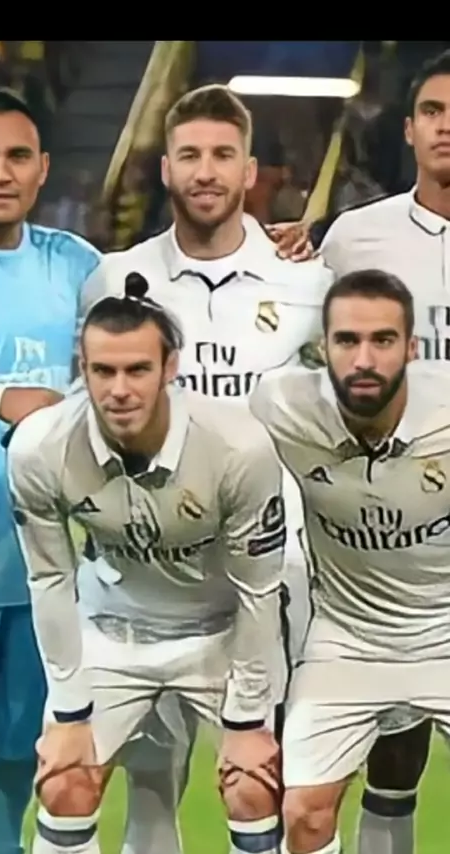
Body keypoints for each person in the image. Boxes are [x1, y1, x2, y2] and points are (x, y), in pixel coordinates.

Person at [81, 83, 332, 854]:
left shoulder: (307, 281)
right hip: (152, 579)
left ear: (249, 170)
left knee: (271, 784)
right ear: (165, 168)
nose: (206, 170)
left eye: (223, 154)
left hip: (269, 579)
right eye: (189, 154)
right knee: (153, 792)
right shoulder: (115, 278)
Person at [7, 281, 287, 854]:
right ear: (82, 369)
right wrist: (68, 714)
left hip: (220, 635)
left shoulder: (237, 447)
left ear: (170, 367)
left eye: (137, 370)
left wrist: (247, 723)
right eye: (103, 371)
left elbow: (259, 591)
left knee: (253, 789)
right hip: (114, 634)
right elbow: (49, 579)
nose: (119, 390)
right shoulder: (40, 447)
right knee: (63, 782)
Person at [269, 47, 450, 854]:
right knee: (382, 733)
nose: (447, 127)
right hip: (381, 522)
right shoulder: (356, 236)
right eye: (434, 112)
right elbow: (301, 345)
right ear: (408, 129)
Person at [250, 268, 450, 854]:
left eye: (383, 340)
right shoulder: (280, 408)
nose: (364, 359)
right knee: (304, 813)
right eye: (347, 340)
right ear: (323, 348)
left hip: (445, 631)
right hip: (347, 638)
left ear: (411, 348)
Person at [0, 88, 103, 854]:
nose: (0, 173)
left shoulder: (75, 264)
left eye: (17, 156)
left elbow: (156, 316)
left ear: (43, 167)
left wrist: (271, 248)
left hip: (42, 572)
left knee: (15, 765)